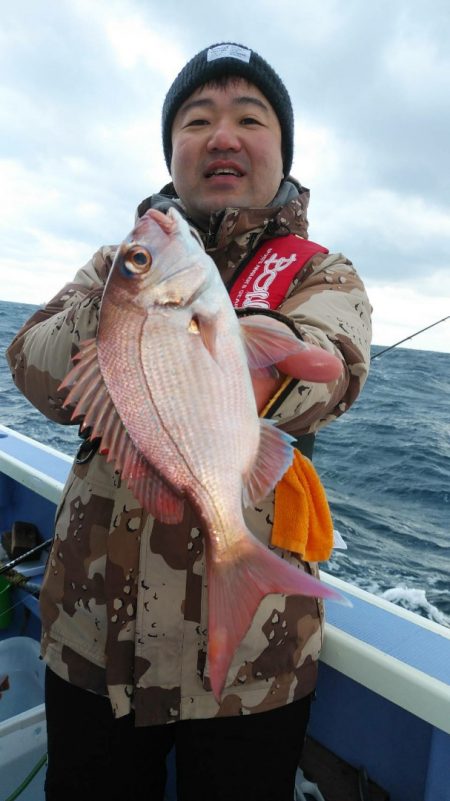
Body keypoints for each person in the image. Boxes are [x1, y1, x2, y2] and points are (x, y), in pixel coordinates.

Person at [6, 42, 372, 801]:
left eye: (249, 117)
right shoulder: (122, 264)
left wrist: (265, 356)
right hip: (88, 636)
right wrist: (119, 320)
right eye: (197, 120)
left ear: (283, 149)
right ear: (174, 153)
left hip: (254, 663)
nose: (223, 136)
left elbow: (335, 363)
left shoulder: (318, 271)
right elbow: (29, 359)